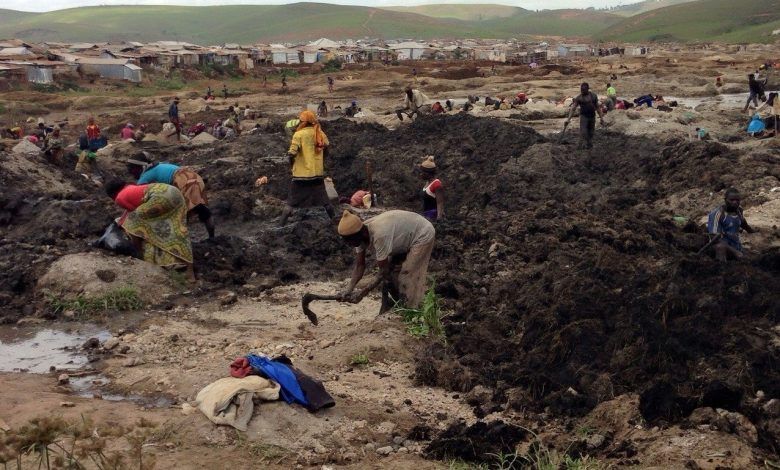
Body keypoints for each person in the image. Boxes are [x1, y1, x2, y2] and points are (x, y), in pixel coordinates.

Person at [337, 209, 435, 311]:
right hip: (403, 236)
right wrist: (348, 290)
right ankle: (399, 304)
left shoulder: (379, 235)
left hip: (422, 233)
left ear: (361, 234)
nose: (348, 244)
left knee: (408, 273)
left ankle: (413, 309)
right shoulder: (358, 236)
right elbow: (360, 266)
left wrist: (363, 292)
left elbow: (383, 271)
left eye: (349, 241)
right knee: (393, 274)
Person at [105, 179, 194, 275]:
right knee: (173, 228)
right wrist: (122, 220)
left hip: (159, 197)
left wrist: (125, 226)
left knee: (132, 224)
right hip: (173, 192)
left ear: (112, 194)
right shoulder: (130, 188)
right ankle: (189, 270)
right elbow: (131, 211)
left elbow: (134, 215)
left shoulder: (119, 198)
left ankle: (137, 252)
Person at [126, 152, 215, 239]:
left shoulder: (146, 176)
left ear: (140, 167)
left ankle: (182, 241)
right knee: (198, 209)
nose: (131, 174)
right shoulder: (160, 165)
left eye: (132, 170)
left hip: (184, 181)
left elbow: (138, 198)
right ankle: (211, 237)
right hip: (194, 177)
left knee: (181, 214)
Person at [280, 110, 334, 226]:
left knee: (291, 203)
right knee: (325, 202)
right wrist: (321, 162)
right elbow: (327, 149)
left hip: (301, 176)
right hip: (317, 174)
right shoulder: (320, 133)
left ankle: (280, 225)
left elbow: (292, 153)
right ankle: (335, 223)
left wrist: (292, 166)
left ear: (302, 122)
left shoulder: (298, 134)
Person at [707, 188, 756, 262]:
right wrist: (736, 252)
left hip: (735, 245)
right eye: (732, 200)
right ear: (725, 200)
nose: (735, 202)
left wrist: (751, 231)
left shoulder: (739, 210)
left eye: (737, 200)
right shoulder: (717, 214)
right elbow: (714, 238)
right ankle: (722, 268)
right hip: (721, 247)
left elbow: (742, 222)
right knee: (720, 247)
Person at [566, 83, 605, 150]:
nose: (582, 91)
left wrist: (601, 118)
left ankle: (589, 145)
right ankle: (580, 146)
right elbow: (573, 108)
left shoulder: (593, 96)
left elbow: (597, 107)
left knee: (591, 132)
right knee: (583, 132)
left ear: (587, 89)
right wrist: (568, 119)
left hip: (592, 116)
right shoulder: (579, 98)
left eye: (584, 90)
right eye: (581, 90)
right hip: (584, 116)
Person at [419, 156, 444, 220]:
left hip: (432, 216)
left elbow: (440, 202)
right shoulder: (427, 183)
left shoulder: (437, 184)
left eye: (422, 172)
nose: (420, 174)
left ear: (428, 173)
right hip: (426, 216)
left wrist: (439, 218)